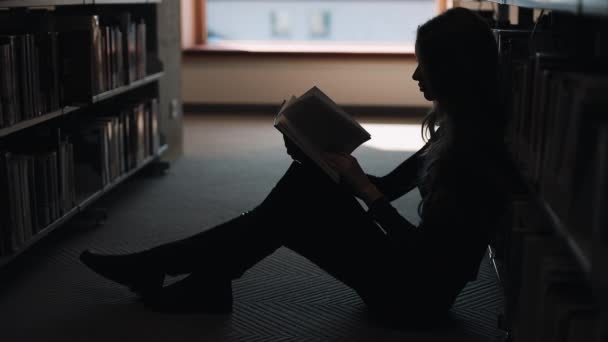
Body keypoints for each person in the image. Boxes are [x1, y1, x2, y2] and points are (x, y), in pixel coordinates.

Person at [80, 7, 511, 327]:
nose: (416, 75)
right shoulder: (453, 131)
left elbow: (421, 255)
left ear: (454, 71)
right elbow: (386, 185)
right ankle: (192, 275)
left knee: (293, 205)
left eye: (426, 65)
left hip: (412, 301)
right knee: (305, 186)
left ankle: (181, 272)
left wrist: (366, 191)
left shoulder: (470, 154)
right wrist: (324, 161)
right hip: (409, 280)